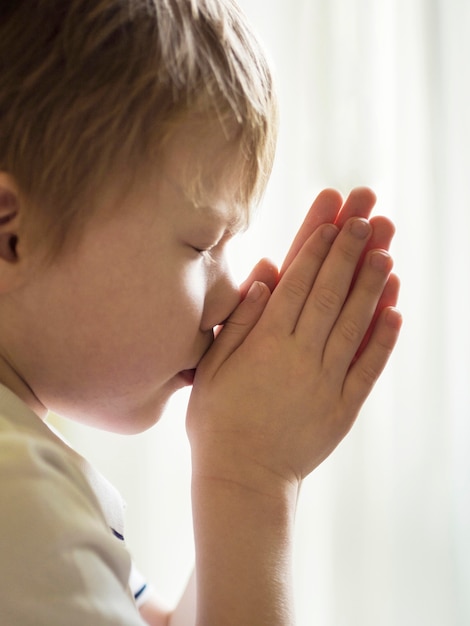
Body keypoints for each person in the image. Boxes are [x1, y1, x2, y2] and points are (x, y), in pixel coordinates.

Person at [0, 0, 401, 624]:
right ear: (9, 236)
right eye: (201, 246)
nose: (231, 295)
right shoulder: (18, 503)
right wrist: (250, 481)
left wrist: (251, 443)